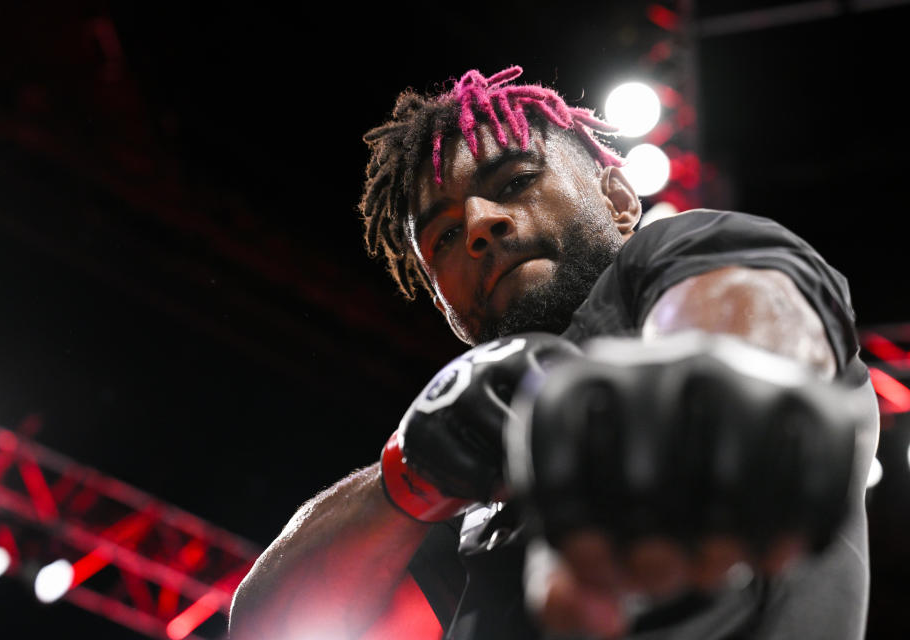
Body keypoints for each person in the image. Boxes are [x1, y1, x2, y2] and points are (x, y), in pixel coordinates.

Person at [228, 66, 878, 640]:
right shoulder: (469, 478)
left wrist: (692, 401)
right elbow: (268, 627)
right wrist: (409, 476)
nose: (481, 223)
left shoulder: (680, 254)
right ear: (444, 305)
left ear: (620, 199)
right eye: (446, 235)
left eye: (514, 182)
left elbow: (750, 314)